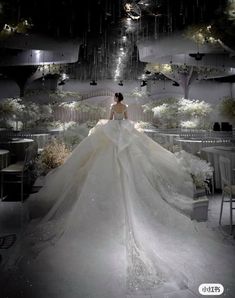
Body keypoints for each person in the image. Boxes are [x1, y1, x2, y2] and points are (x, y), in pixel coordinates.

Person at [1, 93, 235, 298]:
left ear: (116, 100)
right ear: (122, 101)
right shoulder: (125, 108)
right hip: (124, 134)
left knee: (108, 164)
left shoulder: (114, 109)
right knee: (129, 166)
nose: (116, 102)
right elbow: (127, 122)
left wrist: (106, 125)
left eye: (115, 99)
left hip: (114, 135)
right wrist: (123, 126)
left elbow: (112, 121)